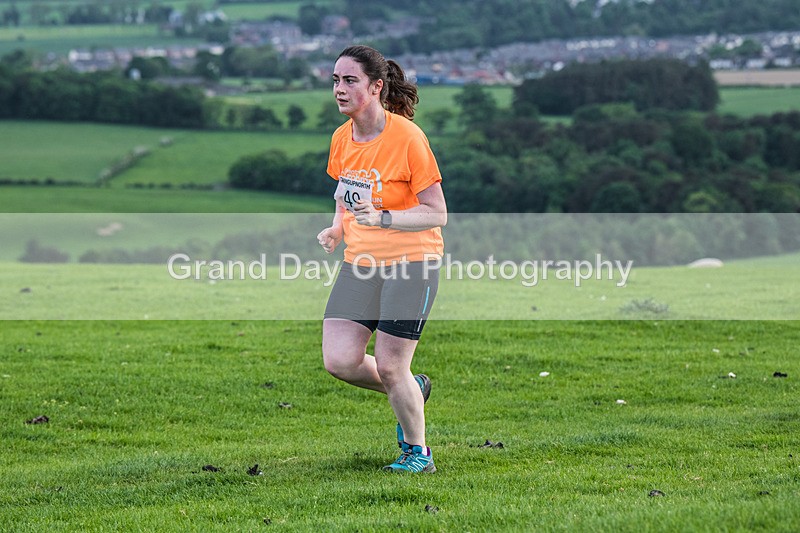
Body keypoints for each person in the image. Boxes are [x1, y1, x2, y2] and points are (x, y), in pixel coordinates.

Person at [317, 45, 447, 473]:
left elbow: (437, 212)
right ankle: (413, 388)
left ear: (376, 86)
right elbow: (345, 196)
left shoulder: (407, 137)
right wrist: (338, 228)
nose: (339, 89)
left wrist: (385, 218)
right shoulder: (342, 138)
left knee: (393, 366)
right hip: (361, 262)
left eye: (349, 80)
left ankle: (418, 453)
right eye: (336, 80)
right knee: (339, 360)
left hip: (413, 261)